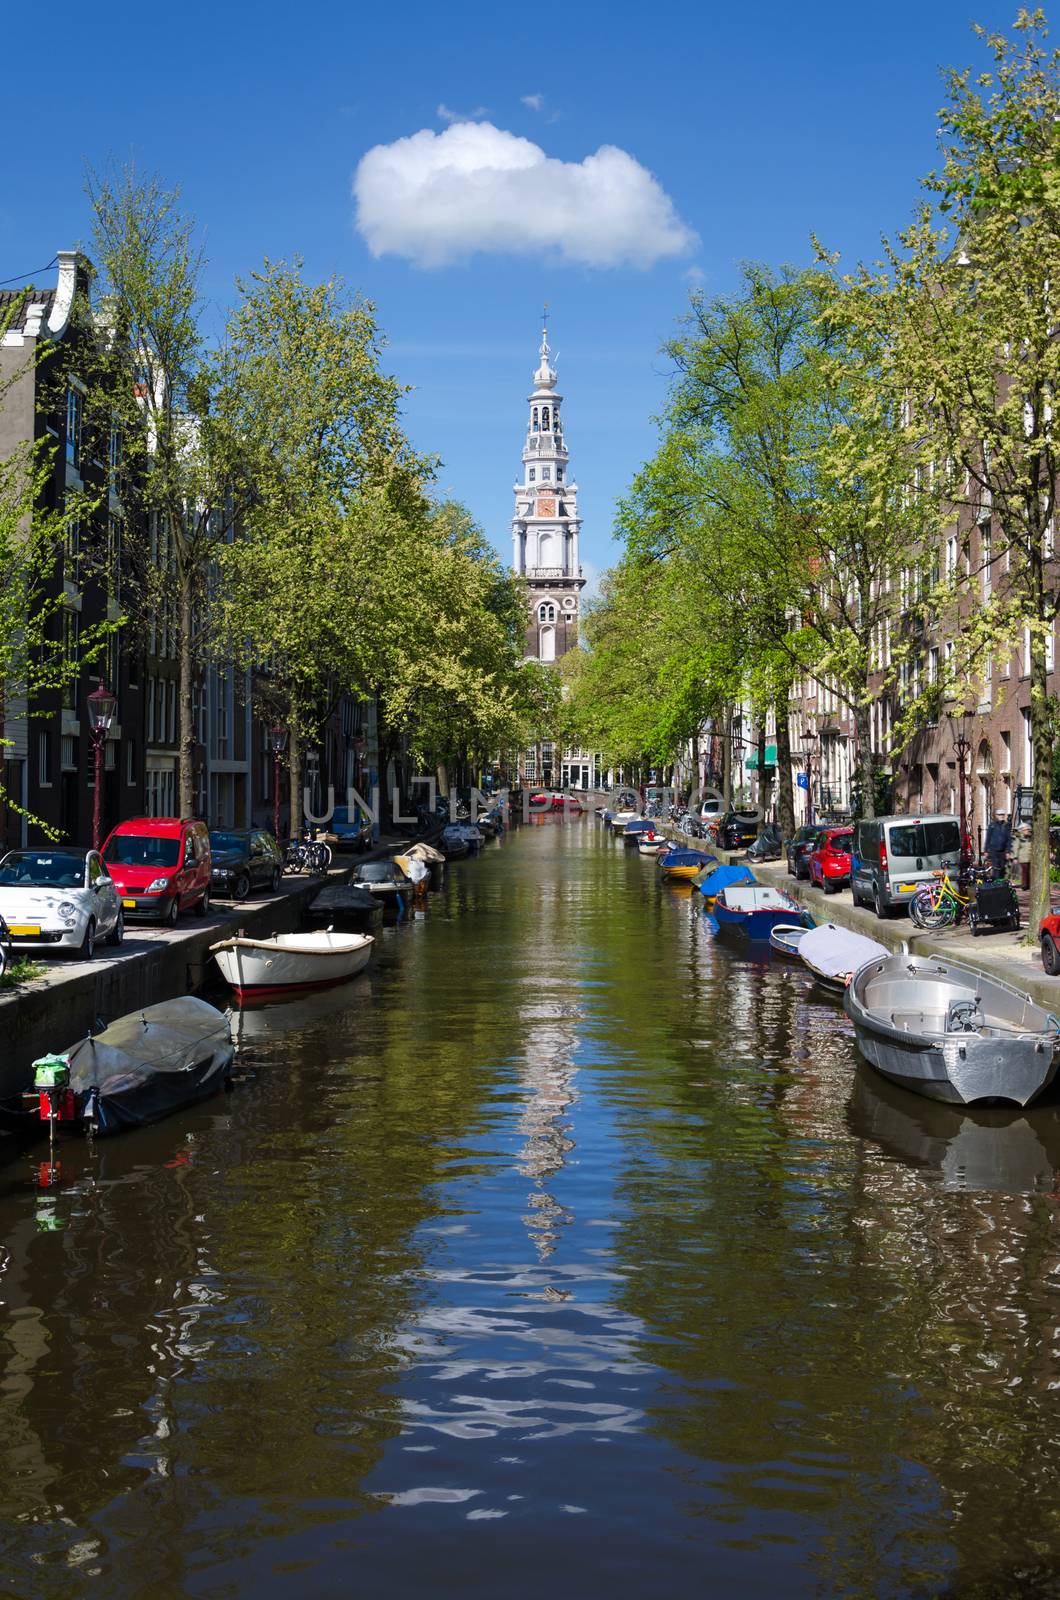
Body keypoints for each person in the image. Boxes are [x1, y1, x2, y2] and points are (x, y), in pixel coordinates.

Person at [984, 807, 1012, 881]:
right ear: (996, 816)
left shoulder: (1007, 826)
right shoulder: (992, 826)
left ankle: (1000, 883)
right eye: (999, 815)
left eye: (1002, 814)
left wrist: (1008, 851)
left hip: (1003, 850)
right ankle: (995, 883)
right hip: (994, 850)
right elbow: (988, 838)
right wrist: (986, 850)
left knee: (1002, 868)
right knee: (996, 867)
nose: (1001, 816)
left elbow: (1009, 839)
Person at [1015, 822, 1033, 890]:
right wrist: (1015, 857)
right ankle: (1024, 885)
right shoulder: (1019, 838)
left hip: (1030, 857)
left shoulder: (1031, 837)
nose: (1028, 831)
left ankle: (1028, 884)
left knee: (1029, 871)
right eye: (1026, 829)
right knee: (1025, 871)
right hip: (1023, 858)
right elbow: (1016, 847)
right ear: (1022, 830)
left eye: (1028, 829)